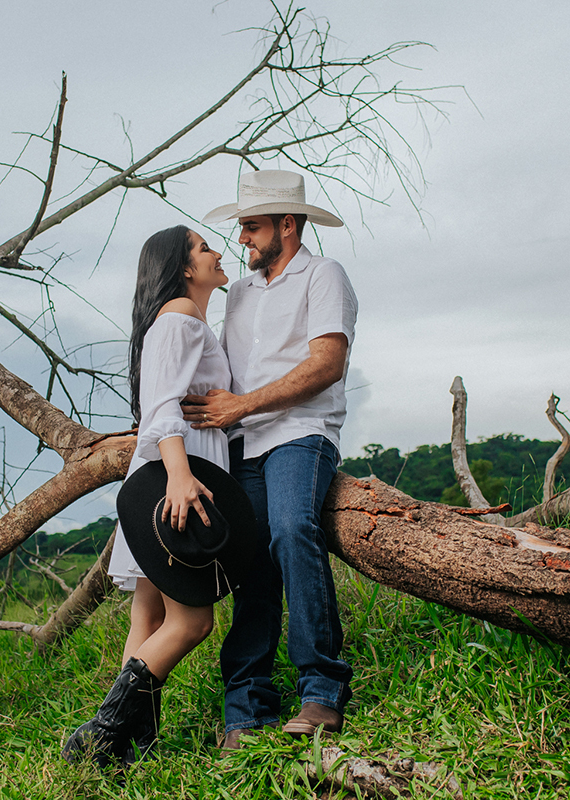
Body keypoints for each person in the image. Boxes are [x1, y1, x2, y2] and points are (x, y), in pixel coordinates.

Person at [183, 170, 359, 749]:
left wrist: (243, 406)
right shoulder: (239, 294)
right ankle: (247, 709)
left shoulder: (324, 274)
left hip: (300, 431)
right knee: (248, 558)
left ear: (288, 225)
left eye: (252, 228)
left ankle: (322, 690)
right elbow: (226, 371)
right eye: (240, 229)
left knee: (290, 529)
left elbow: (326, 364)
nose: (243, 240)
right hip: (241, 443)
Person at [62, 224, 247, 770]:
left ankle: (122, 750)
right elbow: (162, 408)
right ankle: (100, 734)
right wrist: (180, 477)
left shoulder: (182, 321)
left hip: (169, 472)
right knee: (193, 621)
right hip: (178, 476)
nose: (217, 252)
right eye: (204, 247)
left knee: (146, 617)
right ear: (185, 268)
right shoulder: (179, 316)